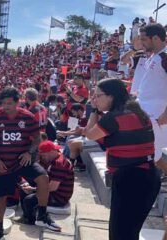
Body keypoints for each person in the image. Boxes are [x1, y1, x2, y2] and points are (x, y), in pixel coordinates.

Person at [85, 78, 161, 240]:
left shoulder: (114, 117)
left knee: (120, 234)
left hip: (131, 179)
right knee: (129, 233)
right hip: (147, 176)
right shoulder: (135, 111)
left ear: (111, 96)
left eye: (98, 96)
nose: (95, 100)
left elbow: (89, 133)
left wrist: (94, 111)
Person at [0, 87, 61, 240]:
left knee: (43, 178)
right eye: (3, 103)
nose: (5, 106)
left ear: (18, 102)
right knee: (2, 197)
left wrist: (29, 152)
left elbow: (37, 138)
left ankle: (42, 214)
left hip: (22, 161)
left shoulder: (28, 117)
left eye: (9, 103)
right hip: (3, 164)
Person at [136, 24, 167, 172]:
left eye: (144, 39)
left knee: (157, 152)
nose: (141, 43)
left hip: (159, 113)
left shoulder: (165, 57)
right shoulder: (154, 56)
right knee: (154, 153)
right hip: (147, 110)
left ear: (155, 38)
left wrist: (166, 114)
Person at [19, 141, 74, 224]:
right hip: (55, 191)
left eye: (43, 155)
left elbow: (52, 187)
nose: (42, 157)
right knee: (25, 186)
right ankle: (26, 216)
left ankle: (30, 221)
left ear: (51, 152)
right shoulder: (53, 159)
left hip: (58, 197)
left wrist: (33, 189)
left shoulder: (59, 164)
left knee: (28, 200)